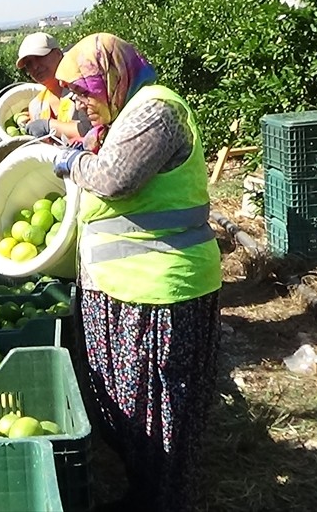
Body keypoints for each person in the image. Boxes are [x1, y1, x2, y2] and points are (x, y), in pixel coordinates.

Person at [47, 33, 222, 512]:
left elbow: (114, 179)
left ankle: (164, 501)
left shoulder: (155, 110)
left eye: (82, 90)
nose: (77, 103)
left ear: (109, 76)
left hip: (161, 292)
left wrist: (71, 160)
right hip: (124, 290)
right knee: (126, 409)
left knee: (161, 412)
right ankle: (145, 494)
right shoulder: (125, 114)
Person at [14, 32, 92, 141]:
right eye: (29, 64)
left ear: (58, 54)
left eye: (39, 57)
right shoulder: (36, 107)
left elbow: (91, 131)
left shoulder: (82, 90)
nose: (35, 67)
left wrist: (49, 126)